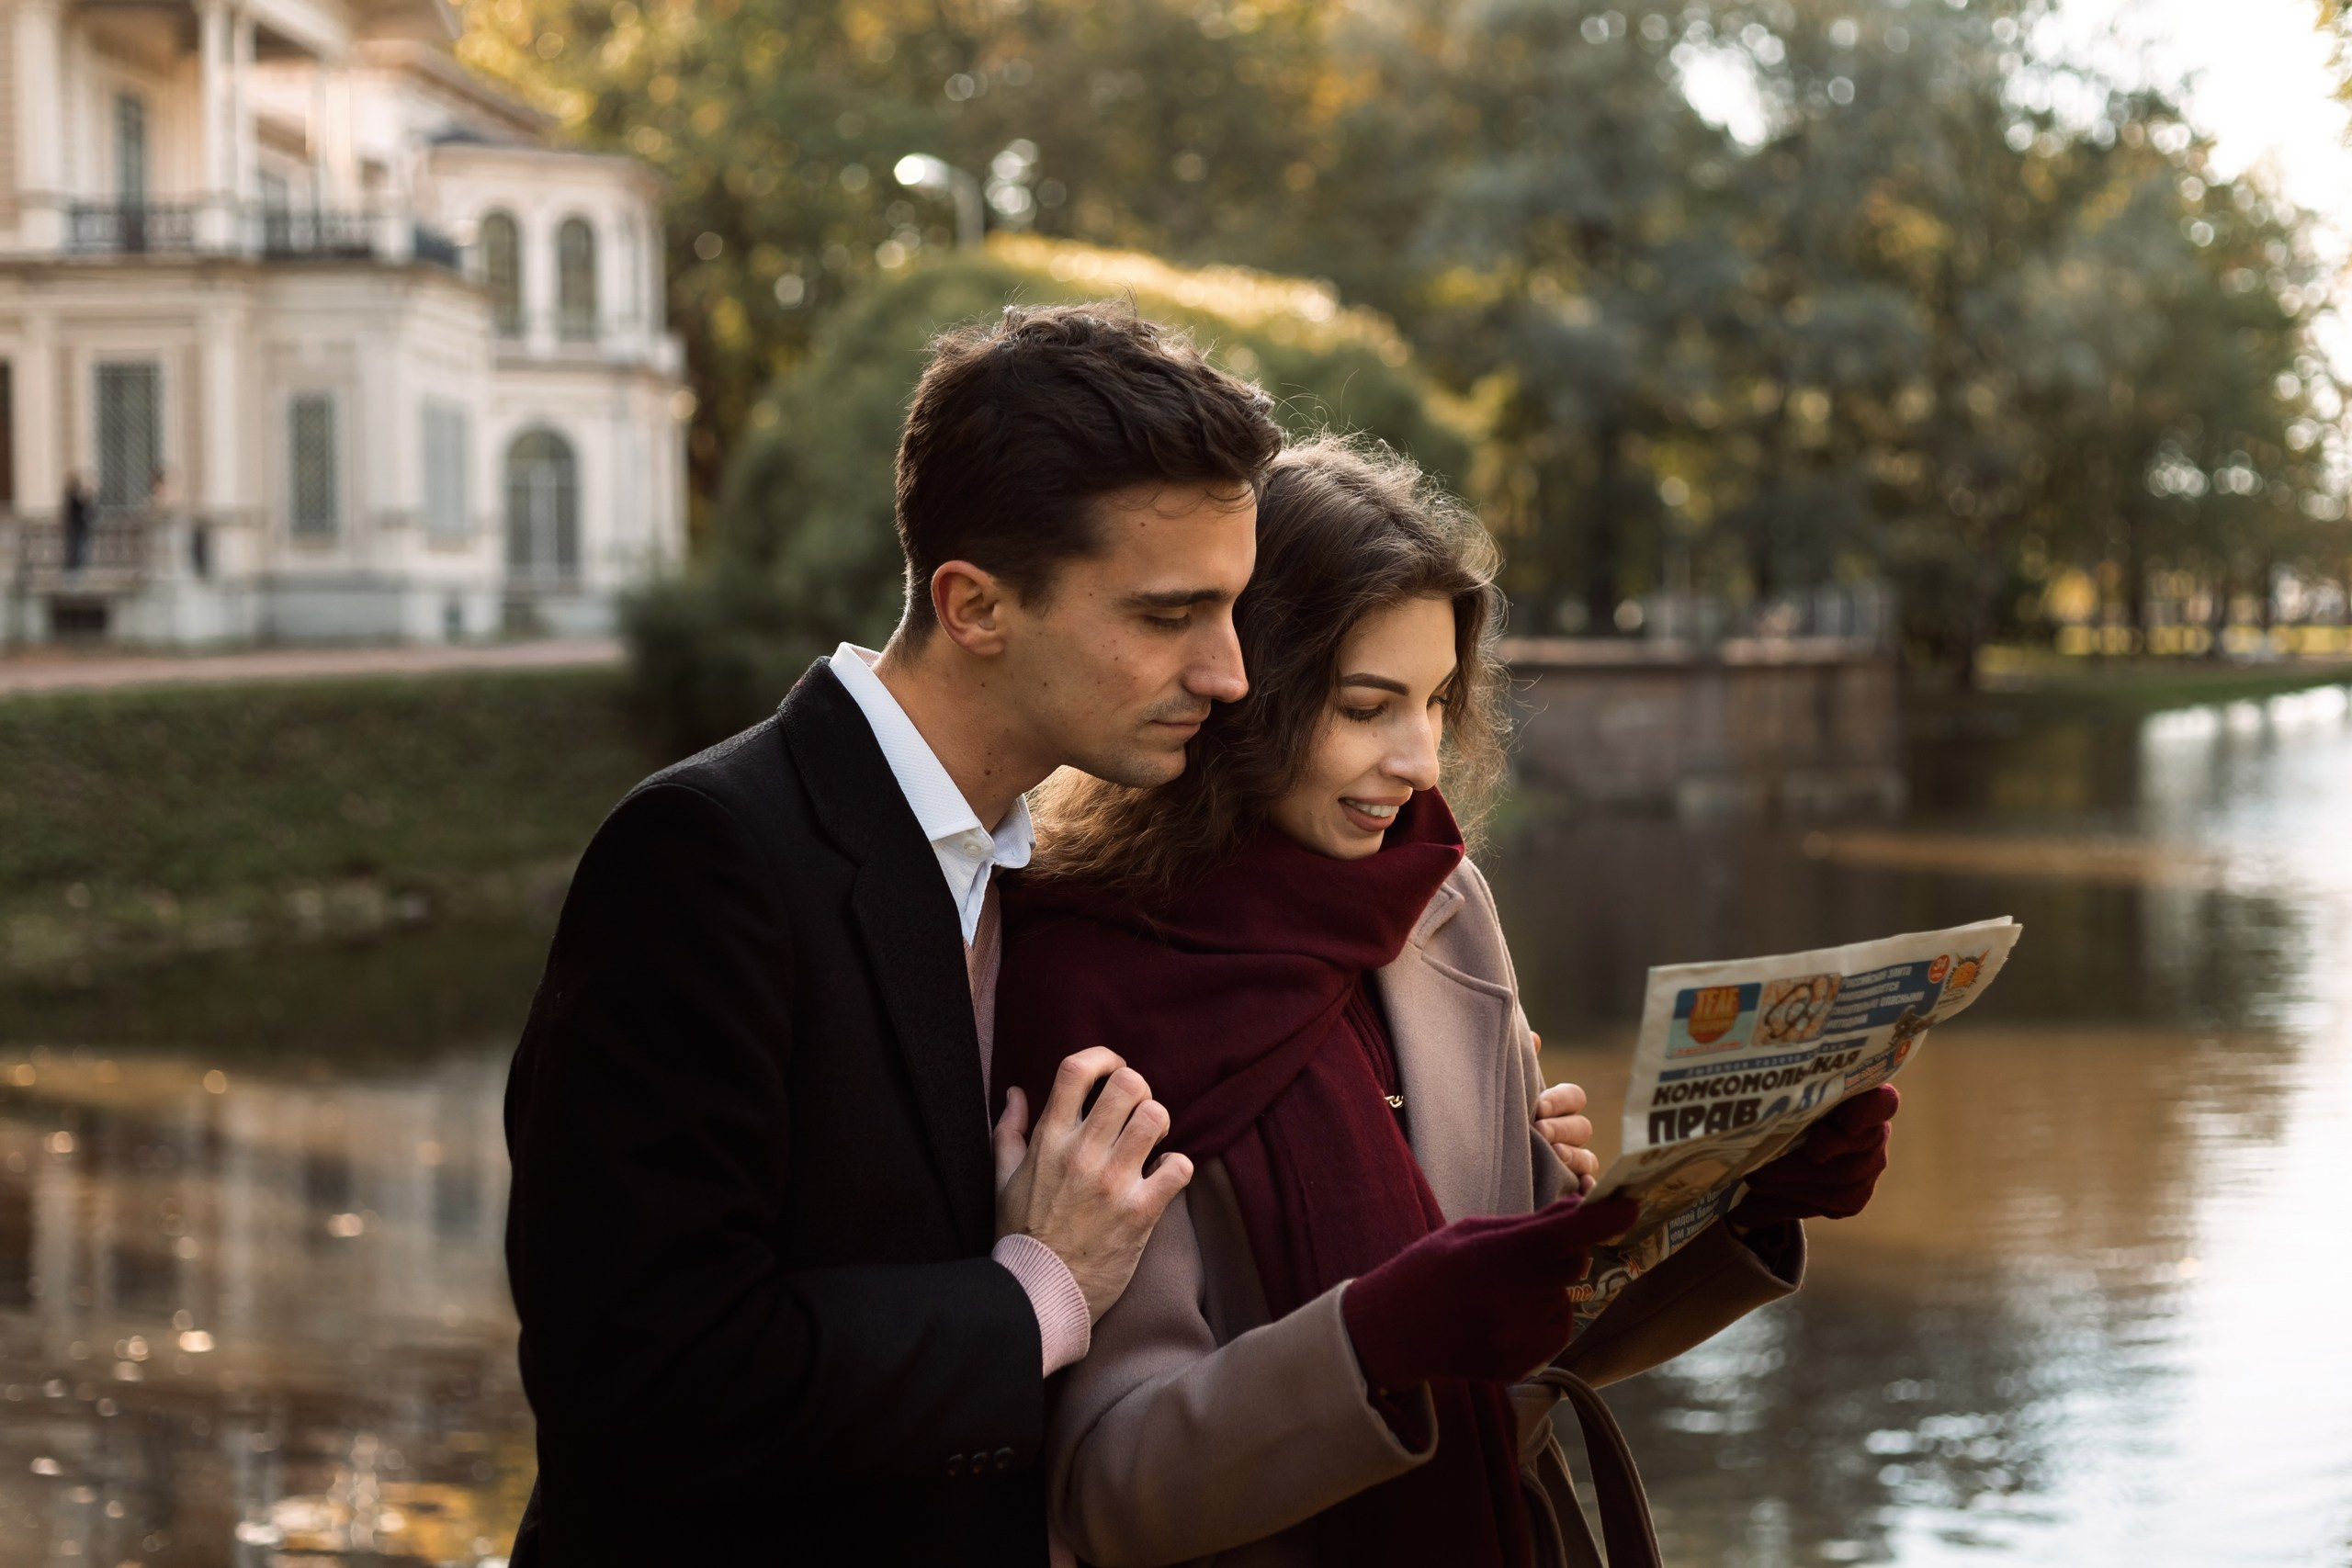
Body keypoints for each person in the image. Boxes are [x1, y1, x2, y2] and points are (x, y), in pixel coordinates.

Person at [996, 438, 1898, 1567]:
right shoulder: (1088, 978)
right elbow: (1109, 1493)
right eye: (1368, 706)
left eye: (1434, 700)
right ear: (1242, 691)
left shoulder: (1434, 902)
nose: (1421, 760)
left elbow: (1522, 1333)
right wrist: (1370, 1345)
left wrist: (1747, 1200)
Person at [502, 303, 1286, 1564]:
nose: (1228, 670)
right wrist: (1033, 1289)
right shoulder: (704, 859)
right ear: (974, 605)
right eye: (1166, 614)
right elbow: (642, 1387)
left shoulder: (1029, 868)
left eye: (1232, 607)